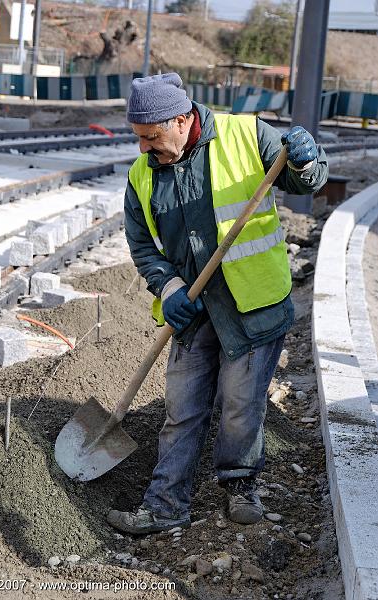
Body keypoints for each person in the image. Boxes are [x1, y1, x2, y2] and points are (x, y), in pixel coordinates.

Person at [107, 72, 328, 535]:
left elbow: (306, 182)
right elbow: (142, 246)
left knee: (240, 405)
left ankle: (240, 485)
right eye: (139, 139)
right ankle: (166, 506)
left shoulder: (246, 135)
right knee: (181, 410)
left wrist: (307, 163)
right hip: (193, 310)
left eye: (151, 137)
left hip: (253, 306)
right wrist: (168, 290)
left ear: (183, 120)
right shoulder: (141, 174)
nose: (145, 148)